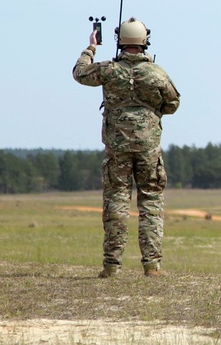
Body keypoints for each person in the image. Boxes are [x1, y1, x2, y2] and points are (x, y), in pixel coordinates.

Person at [73, 17, 180, 278]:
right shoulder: (157, 73)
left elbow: (79, 73)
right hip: (148, 147)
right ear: (145, 41)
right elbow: (173, 103)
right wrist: (151, 114)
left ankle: (111, 266)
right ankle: (152, 266)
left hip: (116, 146)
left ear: (120, 41)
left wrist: (91, 48)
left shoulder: (109, 70)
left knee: (116, 202)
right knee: (151, 202)